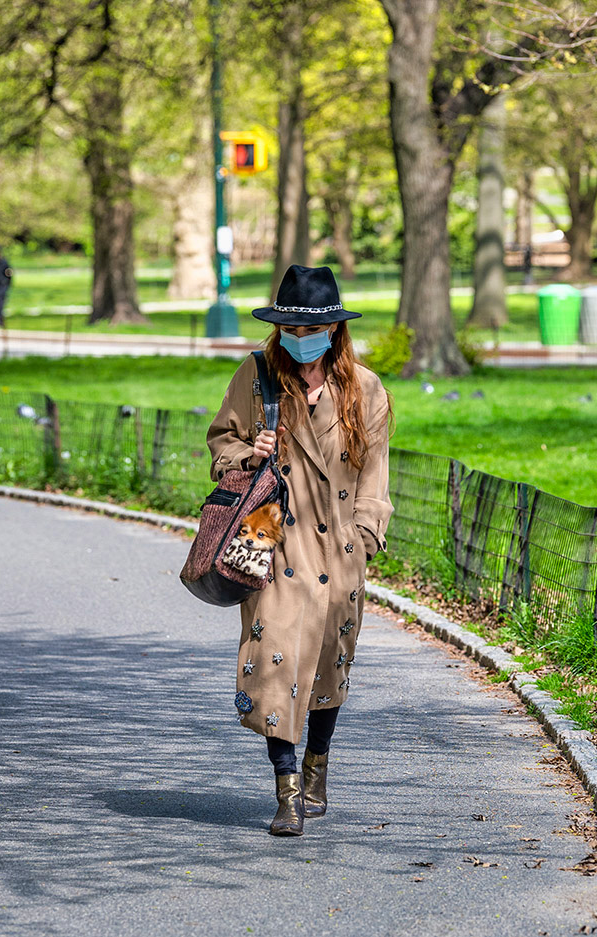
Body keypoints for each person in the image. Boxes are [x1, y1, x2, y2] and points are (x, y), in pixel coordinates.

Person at [206, 264, 394, 837]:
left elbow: (374, 475)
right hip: (274, 548)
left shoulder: (364, 389)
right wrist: (247, 450)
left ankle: (317, 762)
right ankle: (286, 794)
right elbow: (221, 442)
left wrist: (363, 537)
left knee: (328, 671)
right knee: (276, 665)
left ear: (335, 330)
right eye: (291, 327)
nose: (301, 339)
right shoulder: (258, 376)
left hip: (338, 554)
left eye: (312, 328)